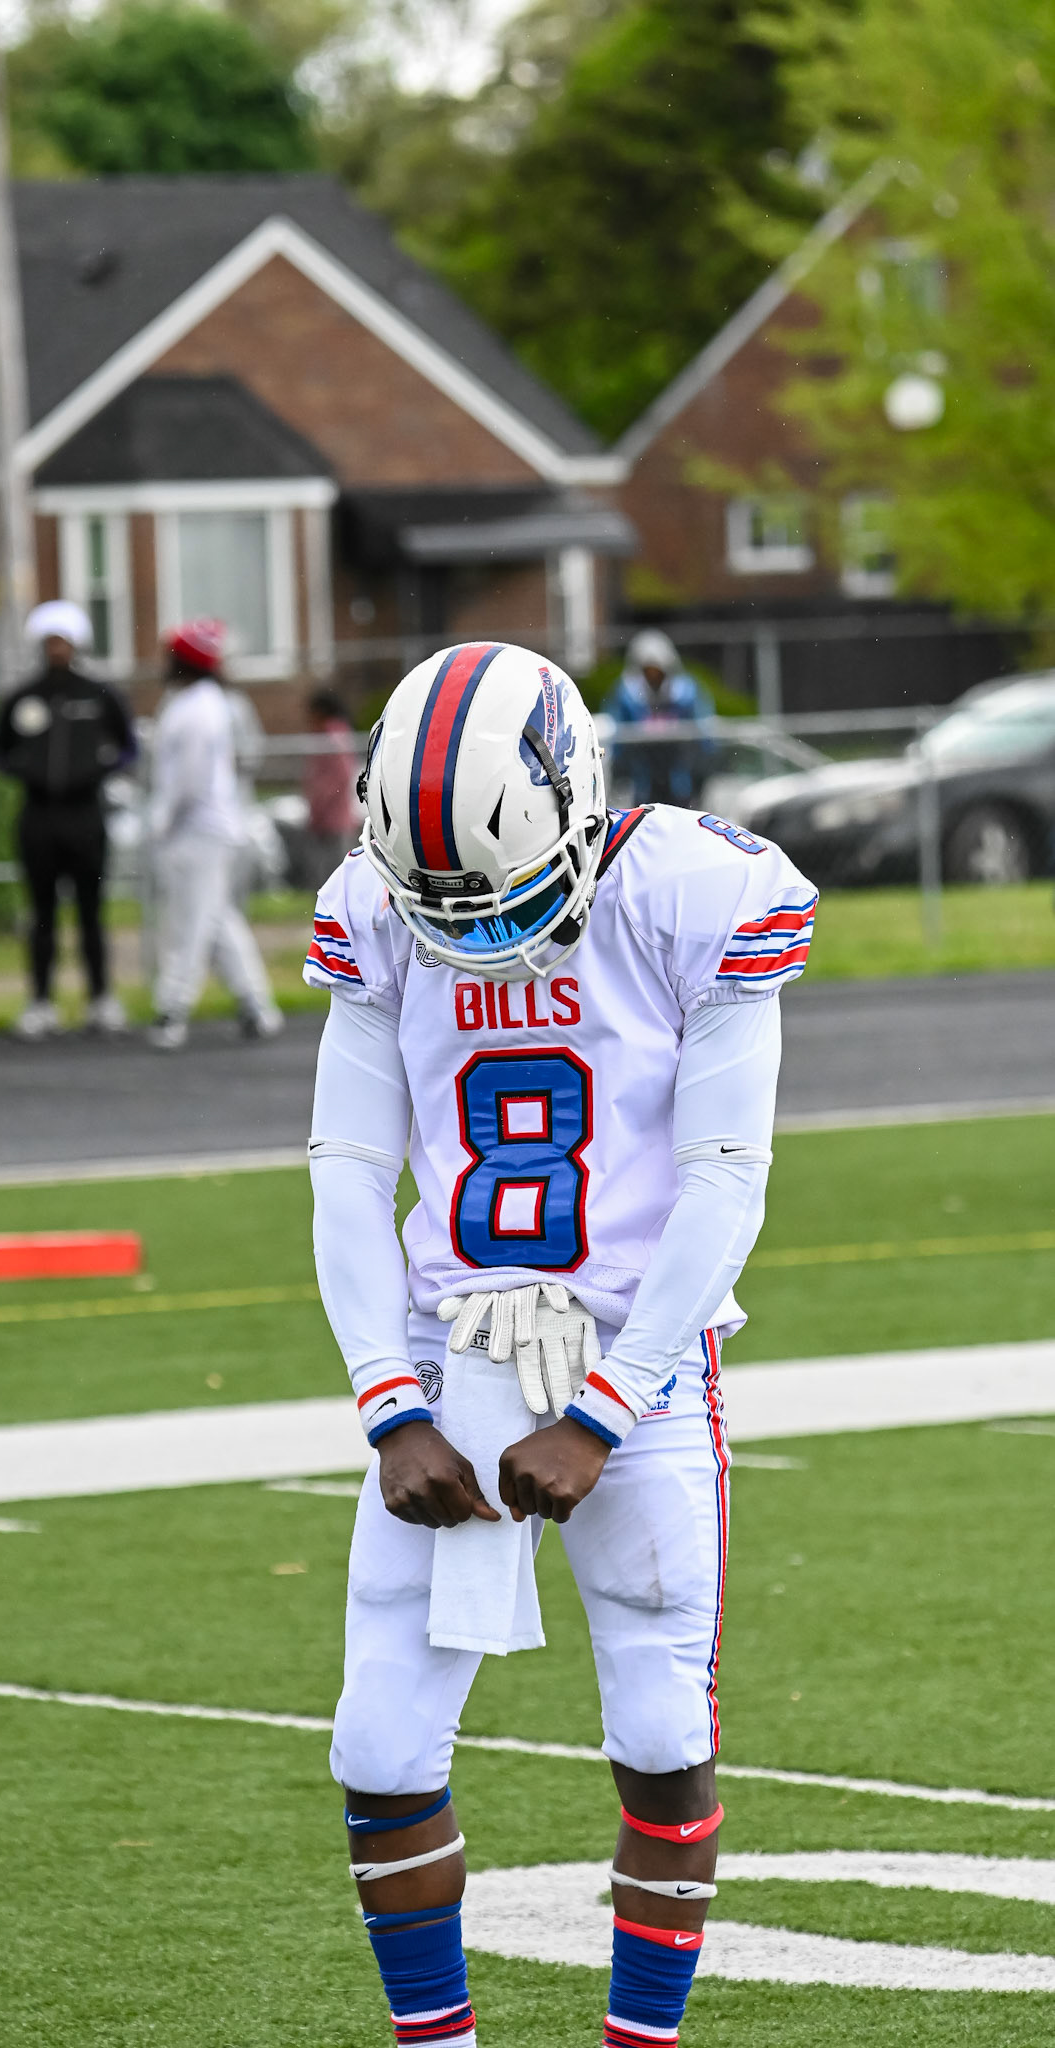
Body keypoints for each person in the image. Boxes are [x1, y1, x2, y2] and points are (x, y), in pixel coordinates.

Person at [302, 640, 817, 2048]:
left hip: (635, 1351)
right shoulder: (376, 906)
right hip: (448, 1345)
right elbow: (348, 1165)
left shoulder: (693, 892)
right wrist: (389, 1403)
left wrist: (602, 1410)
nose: (477, 936)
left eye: (507, 896)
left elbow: (725, 1176)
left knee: (660, 1727)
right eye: (441, 907)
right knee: (378, 1741)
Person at [0, 599, 137, 1039]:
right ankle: (40, 1001)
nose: (57, 649)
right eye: (50, 641)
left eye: (63, 641)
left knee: (91, 911)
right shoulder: (23, 697)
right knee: (41, 913)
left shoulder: (99, 695)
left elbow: (128, 747)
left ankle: (100, 997)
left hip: (86, 815)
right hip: (39, 816)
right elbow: (0, 752)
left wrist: (97, 769)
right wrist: (29, 771)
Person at [147, 618, 283, 1051]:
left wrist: (162, 821)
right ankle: (256, 1005)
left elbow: (188, 780)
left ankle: (172, 1010)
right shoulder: (199, 702)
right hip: (208, 829)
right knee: (217, 918)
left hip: (198, 831)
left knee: (189, 924)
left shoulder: (195, 709)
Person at [606, 628, 715, 808]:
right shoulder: (627, 694)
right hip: (643, 773)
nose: (653, 677)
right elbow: (617, 736)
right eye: (648, 671)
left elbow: (704, 734)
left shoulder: (686, 692)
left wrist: (701, 768)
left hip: (678, 772)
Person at [302, 688, 361, 886]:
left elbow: (342, 774)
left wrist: (322, 800)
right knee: (323, 867)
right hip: (323, 815)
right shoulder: (325, 735)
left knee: (337, 869)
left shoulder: (333, 735)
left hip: (335, 815)